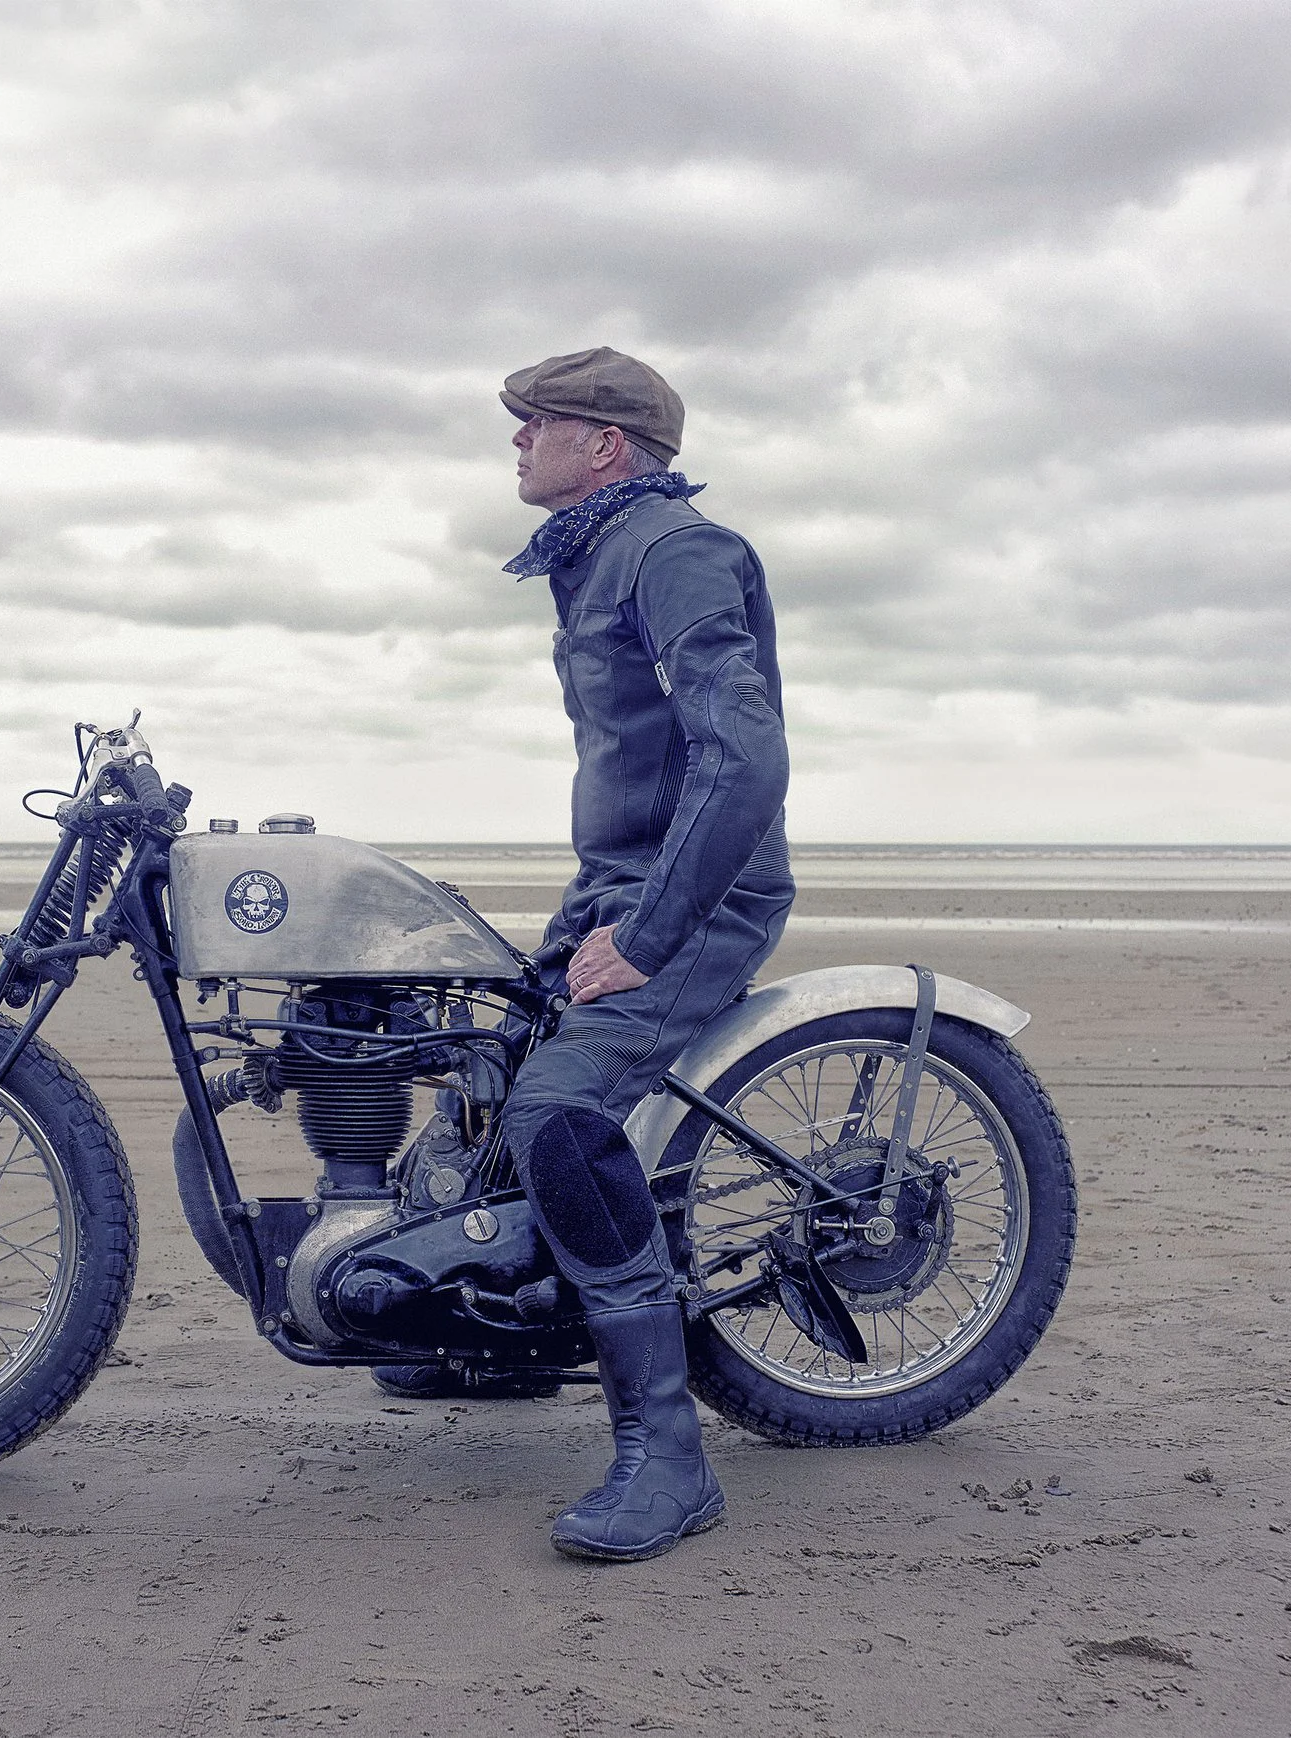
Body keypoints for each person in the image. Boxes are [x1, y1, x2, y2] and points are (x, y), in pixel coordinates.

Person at [487, 346, 795, 1562]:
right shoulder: (597, 553)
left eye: (534, 423)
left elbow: (743, 759)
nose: (516, 441)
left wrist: (651, 931)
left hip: (699, 896)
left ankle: (669, 1458)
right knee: (469, 1052)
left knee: (558, 1114)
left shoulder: (672, 551)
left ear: (601, 446)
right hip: (620, 881)